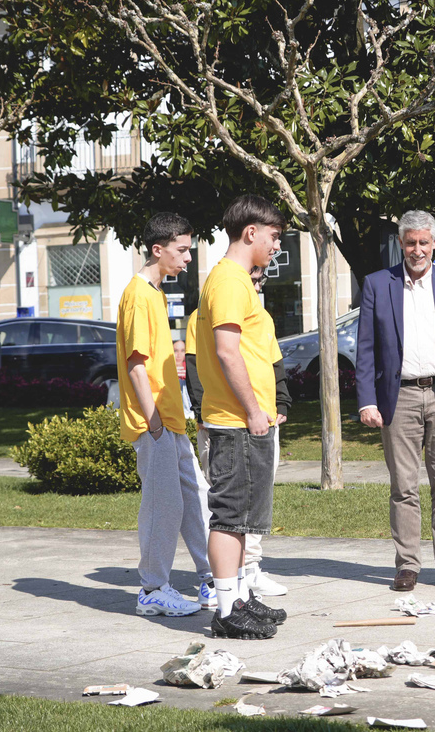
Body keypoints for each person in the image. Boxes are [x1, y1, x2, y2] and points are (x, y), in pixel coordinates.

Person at [356, 210, 435, 592]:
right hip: (399, 397)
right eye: (410, 242)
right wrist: (366, 400)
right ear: (401, 243)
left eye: (424, 242)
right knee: (403, 486)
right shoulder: (378, 285)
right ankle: (408, 565)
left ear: (434, 243)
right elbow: (366, 350)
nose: (417, 249)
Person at [196, 194, 288, 639]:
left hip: (245, 420)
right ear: (250, 232)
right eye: (273, 237)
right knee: (231, 516)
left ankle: (239, 598)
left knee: (245, 516)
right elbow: (227, 351)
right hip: (234, 421)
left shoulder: (233, 280)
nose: (275, 246)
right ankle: (227, 608)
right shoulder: (230, 281)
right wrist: (253, 410)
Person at [115, 212, 213, 617]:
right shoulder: (138, 294)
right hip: (154, 423)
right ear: (159, 249)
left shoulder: (155, 293)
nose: (188, 258)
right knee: (163, 506)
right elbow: (137, 364)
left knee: (196, 499)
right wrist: (153, 423)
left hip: (172, 422)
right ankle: (152, 589)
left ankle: (216, 579)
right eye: (183, 250)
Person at [184, 266, 290, 599]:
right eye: (252, 280)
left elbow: (271, 362)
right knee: (227, 508)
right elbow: (200, 364)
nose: (255, 287)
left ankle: (246, 578)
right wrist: (203, 412)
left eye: (259, 282)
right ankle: (222, 589)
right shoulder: (207, 311)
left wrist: (281, 403)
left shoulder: (260, 315)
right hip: (230, 420)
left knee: (252, 504)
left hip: (260, 419)